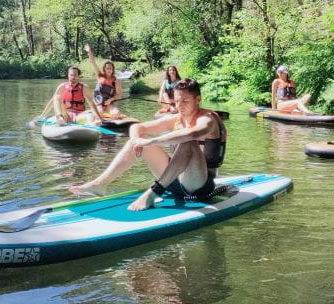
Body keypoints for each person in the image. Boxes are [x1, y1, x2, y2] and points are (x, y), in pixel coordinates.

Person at [70, 78, 227, 211]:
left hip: (199, 185)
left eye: (185, 101)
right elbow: (138, 127)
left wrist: (151, 141)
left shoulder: (208, 120)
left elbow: (192, 133)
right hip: (173, 180)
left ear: (198, 99)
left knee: (188, 142)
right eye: (177, 101)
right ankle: (100, 184)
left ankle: (153, 193)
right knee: (138, 139)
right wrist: (136, 141)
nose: (179, 105)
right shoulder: (176, 118)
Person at [85, 44, 123, 117]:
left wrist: (110, 100)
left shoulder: (116, 80)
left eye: (111, 68)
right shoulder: (99, 76)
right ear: (104, 69)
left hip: (109, 103)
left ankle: (109, 118)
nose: (109, 70)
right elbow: (93, 63)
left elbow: (119, 95)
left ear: (113, 69)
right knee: (100, 113)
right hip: (98, 102)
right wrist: (89, 52)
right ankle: (97, 114)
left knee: (116, 113)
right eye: (107, 68)